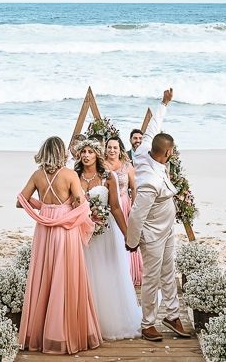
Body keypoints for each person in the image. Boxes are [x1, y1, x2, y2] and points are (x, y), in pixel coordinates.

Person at [17, 136, 102, 354]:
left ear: (44, 152)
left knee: (43, 277)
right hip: (66, 230)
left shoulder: (37, 175)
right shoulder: (70, 175)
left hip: (44, 230)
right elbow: (81, 204)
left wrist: (44, 206)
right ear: (62, 153)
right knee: (66, 277)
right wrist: (70, 205)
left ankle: (39, 335)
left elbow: (20, 201)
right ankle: (65, 334)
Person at [125, 88, 191, 342]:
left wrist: (164, 103)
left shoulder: (145, 148)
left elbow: (154, 126)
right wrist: (132, 242)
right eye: (171, 151)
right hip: (151, 235)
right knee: (151, 279)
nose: (172, 154)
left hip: (167, 230)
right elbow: (136, 215)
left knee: (169, 271)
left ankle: (172, 315)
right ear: (166, 154)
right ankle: (147, 324)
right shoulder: (149, 182)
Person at [74, 138, 142, 339]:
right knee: (86, 274)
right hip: (82, 231)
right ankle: (86, 321)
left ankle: (110, 321)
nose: (86, 155)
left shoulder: (108, 177)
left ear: (97, 155)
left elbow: (116, 208)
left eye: (90, 152)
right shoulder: (74, 176)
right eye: (83, 152)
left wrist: (128, 235)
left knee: (107, 271)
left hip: (106, 231)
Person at [106, 136, 142, 286]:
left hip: (124, 204)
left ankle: (127, 270)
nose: (112, 150)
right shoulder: (101, 165)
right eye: (109, 147)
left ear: (120, 149)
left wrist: (133, 207)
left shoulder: (127, 166)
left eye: (115, 147)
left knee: (124, 234)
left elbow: (133, 187)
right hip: (107, 205)